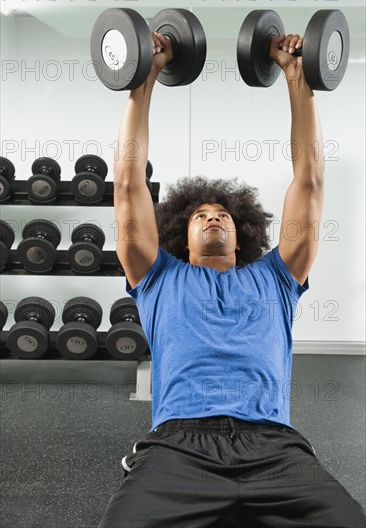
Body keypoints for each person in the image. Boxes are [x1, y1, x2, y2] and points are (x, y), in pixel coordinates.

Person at [98, 30, 366, 527]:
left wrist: (296, 78)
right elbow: (128, 182)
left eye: (222, 214)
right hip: (178, 449)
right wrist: (145, 76)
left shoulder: (278, 277)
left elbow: (309, 180)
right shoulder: (157, 278)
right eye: (201, 215)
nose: (213, 218)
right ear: (181, 233)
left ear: (241, 233)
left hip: (275, 448)